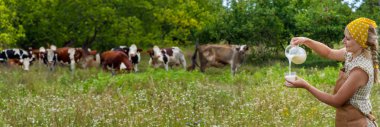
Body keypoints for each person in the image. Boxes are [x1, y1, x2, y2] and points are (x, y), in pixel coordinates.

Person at [286, 17, 378, 126]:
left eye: (348, 39)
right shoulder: (352, 54)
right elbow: (329, 53)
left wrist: (306, 86)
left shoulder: (360, 70)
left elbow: (336, 101)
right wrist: (306, 41)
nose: (343, 41)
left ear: (360, 41)